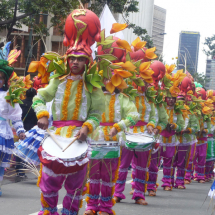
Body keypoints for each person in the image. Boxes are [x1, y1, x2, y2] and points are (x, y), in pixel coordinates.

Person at [32, 9, 105, 215]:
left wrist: (86, 127)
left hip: (78, 139)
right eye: (72, 58)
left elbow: (97, 113)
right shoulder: (57, 80)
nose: (75, 62)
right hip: (55, 136)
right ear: (67, 60)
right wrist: (42, 115)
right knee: (49, 181)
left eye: (80, 59)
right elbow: (39, 97)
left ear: (87, 62)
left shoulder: (93, 86)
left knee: (76, 185)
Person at [0, 59, 25, 195]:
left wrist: (20, 130)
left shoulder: (9, 96)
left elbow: (15, 115)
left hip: (2, 131)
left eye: (0, 78)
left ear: (4, 81)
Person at [15, 88, 37, 178]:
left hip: (20, 128)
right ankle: (22, 171)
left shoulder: (20, 103)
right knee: (27, 150)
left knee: (19, 148)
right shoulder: (36, 105)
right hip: (31, 130)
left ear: (26, 94)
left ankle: (18, 169)